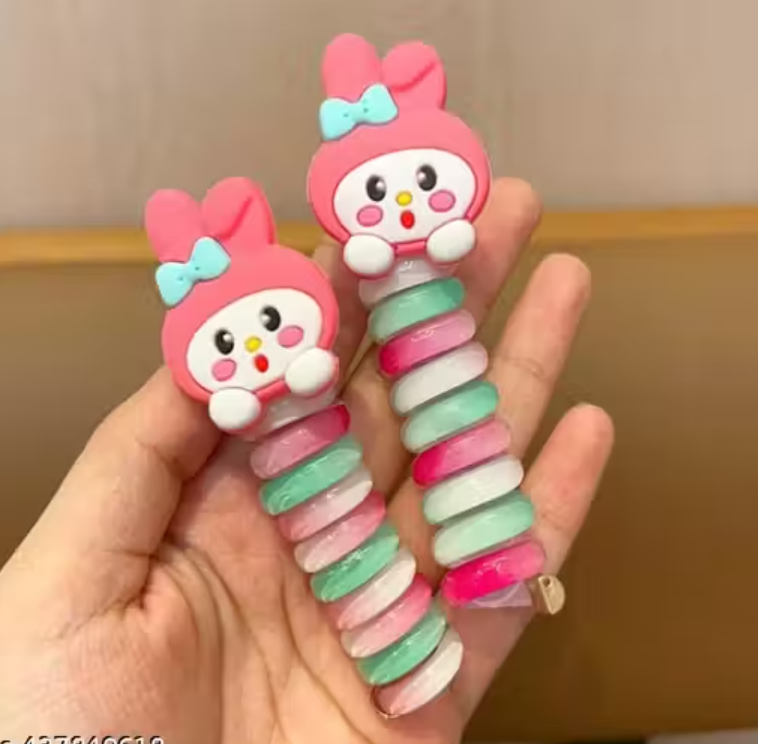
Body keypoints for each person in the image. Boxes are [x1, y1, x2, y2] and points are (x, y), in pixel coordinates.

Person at [0, 179, 613, 742]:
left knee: (434, 459)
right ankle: (430, 633)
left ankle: (485, 575)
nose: (255, 347)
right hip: (361, 611)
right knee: (353, 543)